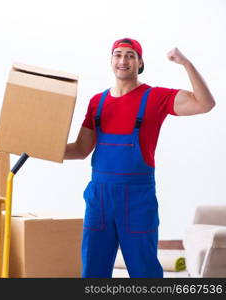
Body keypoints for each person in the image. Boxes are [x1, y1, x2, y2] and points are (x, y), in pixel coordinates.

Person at [64, 38, 216, 278]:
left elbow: (205, 103)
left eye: (130, 55)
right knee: (93, 271)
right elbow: (81, 149)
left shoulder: (155, 97)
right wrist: (41, 147)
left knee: (144, 271)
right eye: (118, 54)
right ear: (111, 60)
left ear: (140, 62)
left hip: (136, 200)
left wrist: (186, 63)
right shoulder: (98, 102)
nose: (123, 60)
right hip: (99, 199)